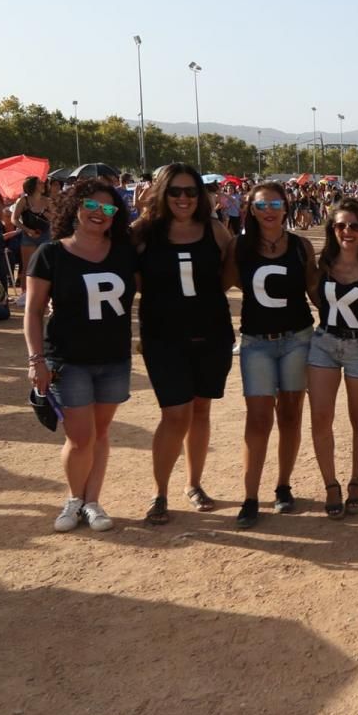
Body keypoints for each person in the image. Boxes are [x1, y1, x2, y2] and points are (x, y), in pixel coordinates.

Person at [23, 179, 137, 532]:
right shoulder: (51, 254)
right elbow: (33, 311)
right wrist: (35, 360)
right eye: (92, 205)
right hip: (67, 360)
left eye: (108, 209)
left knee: (100, 433)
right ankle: (74, 499)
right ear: (74, 207)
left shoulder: (123, 252)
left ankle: (92, 501)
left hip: (114, 357)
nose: (99, 214)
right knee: (79, 436)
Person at [134, 164, 235, 525]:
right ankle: (160, 491)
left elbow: (230, 272)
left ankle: (194, 484)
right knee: (175, 414)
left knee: (201, 409)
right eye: (175, 191)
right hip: (164, 337)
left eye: (191, 191)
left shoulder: (215, 229)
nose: (183, 198)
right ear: (162, 192)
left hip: (211, 334)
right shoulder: (144, 232)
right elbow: (117, 263)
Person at [223, 182, 316, 529]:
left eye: (275, 203)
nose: (269, 211)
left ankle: (283, 485)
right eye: (261, 205)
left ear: (286, 206)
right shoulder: (240, 246)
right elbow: (219, 283)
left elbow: (315, 290)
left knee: (290, 416)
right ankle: (250, 496)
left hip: (297, 339)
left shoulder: (301, 246)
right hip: (256, 342)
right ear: (250, 208)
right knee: (258, 419)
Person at [307, 198, 358, 519]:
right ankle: (331, 484)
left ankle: (356, 482)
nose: (347, 231)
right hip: (324, 343)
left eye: (354, 225)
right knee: (321, 418)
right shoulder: (323, 263)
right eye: (341, 225)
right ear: (332, 229)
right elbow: (315, 295)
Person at [11, 177, 51, 303]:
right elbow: (14, 219)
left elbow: (56, 218)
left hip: (46, 235)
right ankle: (25, 294)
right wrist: (27, 230)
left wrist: (47, 214)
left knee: (47, 265)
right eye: (39, 183)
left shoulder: (47, 200)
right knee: (27, 266)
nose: (43, 184)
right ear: (32, 185)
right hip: (28, 235)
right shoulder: (24, 200)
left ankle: (46, 295)